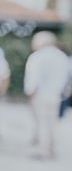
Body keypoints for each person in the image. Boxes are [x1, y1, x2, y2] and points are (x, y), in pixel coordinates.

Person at [24, 31, 69, 159]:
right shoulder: (61, 56)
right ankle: (52, 149)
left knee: (42, 122)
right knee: (52, 123)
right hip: (56, 94)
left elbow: (34, 78)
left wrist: (31, 93)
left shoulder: (38, 57)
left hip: (41, 94)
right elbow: (66, 77)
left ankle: (44, 151)